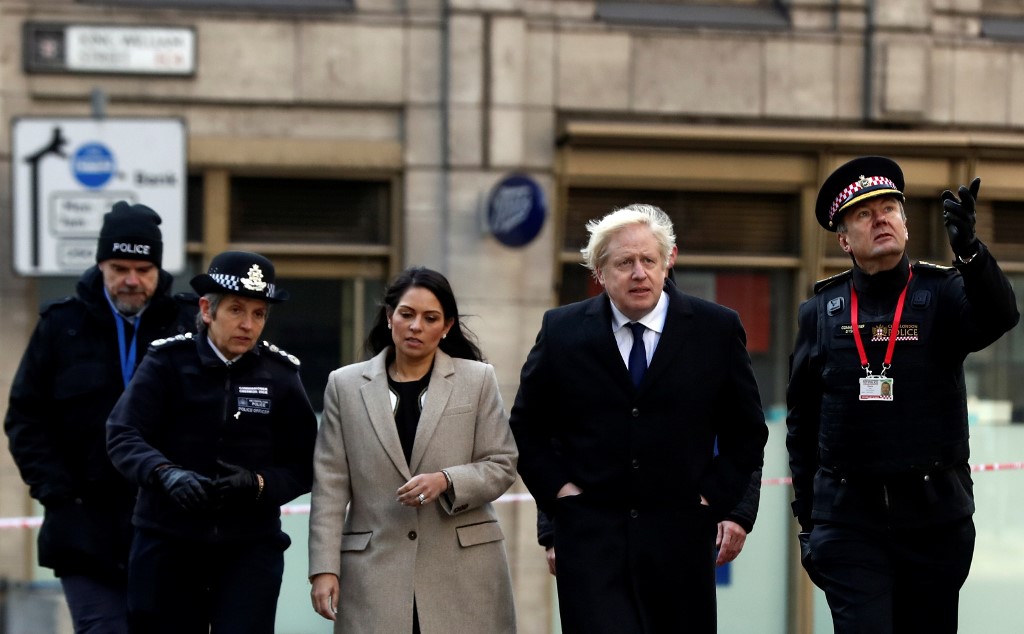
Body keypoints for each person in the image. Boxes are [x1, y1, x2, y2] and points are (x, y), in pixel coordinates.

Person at [786, 156, 1020, 633]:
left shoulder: (943, 293)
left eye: (891, 208)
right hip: (848, 523)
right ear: (844, 239)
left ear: (906, 226)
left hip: (934, 521)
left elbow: (1000, 317)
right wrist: (810, 525)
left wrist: (971, 252)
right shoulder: (820, 311)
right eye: (865, 214)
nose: (882, 219)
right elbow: (802, 422)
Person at [509, 203, 768, 633]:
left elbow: (746, 429)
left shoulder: (715, 329)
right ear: (599, 271)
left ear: (669, 262)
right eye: (624, 262)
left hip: (681, 538)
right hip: (591, 541)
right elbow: (528, 425)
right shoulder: (562, 331)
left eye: (648, 260)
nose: (638, 273)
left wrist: (712, 501)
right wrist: (560, 495)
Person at [4, 201, 194, 634]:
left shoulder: (187, 327)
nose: (131, 280)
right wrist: (58, 494)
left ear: (158, 271)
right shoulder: (61, 326)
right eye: (119, 267)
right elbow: (25, 418)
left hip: (170, 527)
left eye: (143, 269)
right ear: (101, 265)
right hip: (83, 527)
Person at [105, 250, 318, 634]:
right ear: (207, 309)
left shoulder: (282, 376)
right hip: (167, 545)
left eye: (259, 314)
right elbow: (123, 434)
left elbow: (304, 464)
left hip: (248, 550)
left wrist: (258, 484)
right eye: (236, 309)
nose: (248, 324)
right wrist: (164, 473)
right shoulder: (167, 363)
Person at [308, 266, 518, 633]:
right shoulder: (343, 385)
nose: (416, 326)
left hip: (464, 571)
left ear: (447, 325)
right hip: (374, 571)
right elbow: (330, 485)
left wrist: (447, 480)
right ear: (390, 317)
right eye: (406, 314)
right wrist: (324, 568)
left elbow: (502, 464)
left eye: (430, 318)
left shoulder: (478, 379)